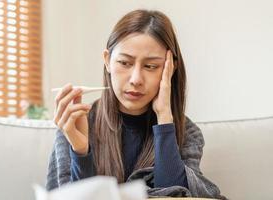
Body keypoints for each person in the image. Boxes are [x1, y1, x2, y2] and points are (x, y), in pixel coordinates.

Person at [46, 9, 227, 199]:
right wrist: (81, 152)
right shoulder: (74, 124)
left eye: (150, 66)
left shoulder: (187, 132)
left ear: (170, 68)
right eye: (125, 63)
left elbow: (177, 195)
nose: (136, 79)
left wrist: (164, 118)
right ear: (107, 61)